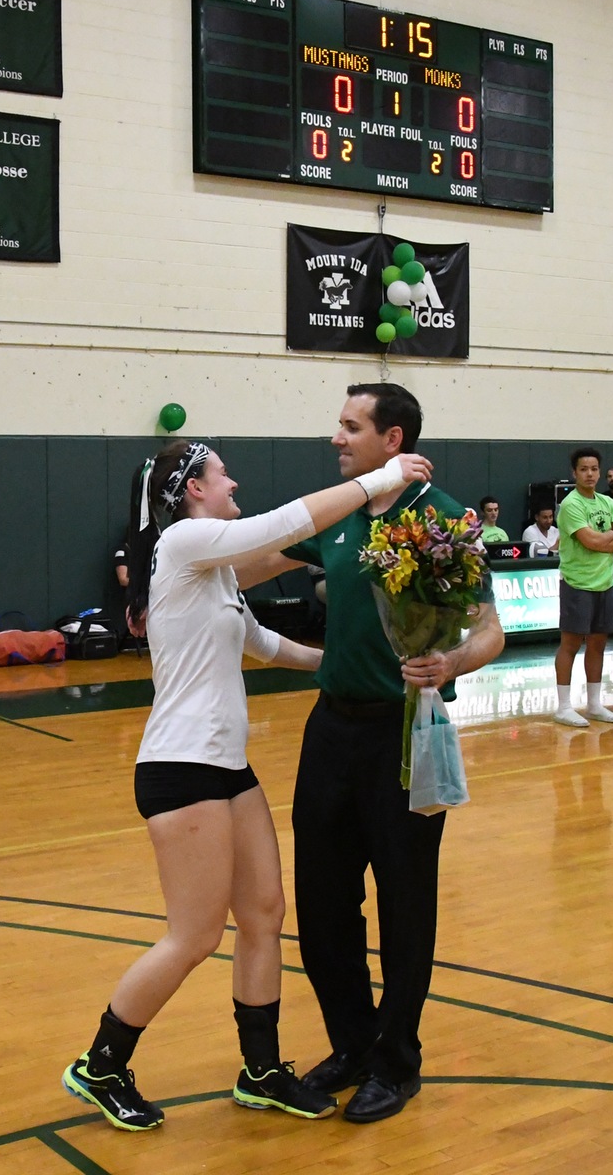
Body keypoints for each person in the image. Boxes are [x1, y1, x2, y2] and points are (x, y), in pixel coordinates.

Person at [60, 437, 433, 1133]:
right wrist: (383, 476)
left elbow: (261, 643)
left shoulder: (213, 573)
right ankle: (102, 1063)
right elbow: (284, 526)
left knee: (263, 914)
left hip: (228, 768)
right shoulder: (186, 542)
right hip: (180, 767)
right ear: (193, 490)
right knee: (193, 935)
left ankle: (261, 1069)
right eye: (222, 474)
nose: (235, 482)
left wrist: (350, 665)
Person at [237, 383, 504, 1125]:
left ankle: (398, 1060)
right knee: (322, 906)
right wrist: (191, 566)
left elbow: (490, 630)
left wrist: (452, 665)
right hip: (332, 729)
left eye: (350, 426)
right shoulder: (341, 509)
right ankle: (354, 1043)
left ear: (393, 440)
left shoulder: (444, 519)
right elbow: (254, 563)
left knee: (405, 903)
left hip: (404, 731)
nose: (337, 437)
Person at [551, 448, 613, 728]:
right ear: (574, 473)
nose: (590, 474)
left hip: (605, 583)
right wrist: (609, 536)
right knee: (570, 644)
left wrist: (604, 538)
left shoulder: (607, 502)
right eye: (584, 469)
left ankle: (594, 704)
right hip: (577, 583)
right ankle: (564, 706)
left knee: (598, 644)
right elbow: (591, 541)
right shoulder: (570, 505)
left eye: (594, 469)